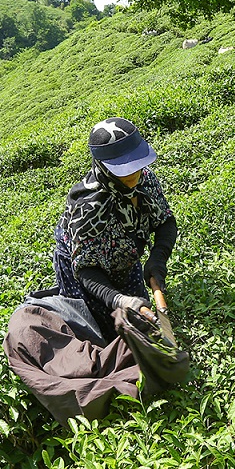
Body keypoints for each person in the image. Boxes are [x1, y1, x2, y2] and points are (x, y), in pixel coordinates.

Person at [53, 117, 178, 339]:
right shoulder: (89, 207)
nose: (133, 173)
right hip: (88, 273)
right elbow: (86, 270)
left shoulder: (143, 178)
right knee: (103, 329)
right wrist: (118, 299)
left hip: (125, 255)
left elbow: (165, 221)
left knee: (141, 319)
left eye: (136, 164)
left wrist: (157, 260)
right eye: (124, 168)